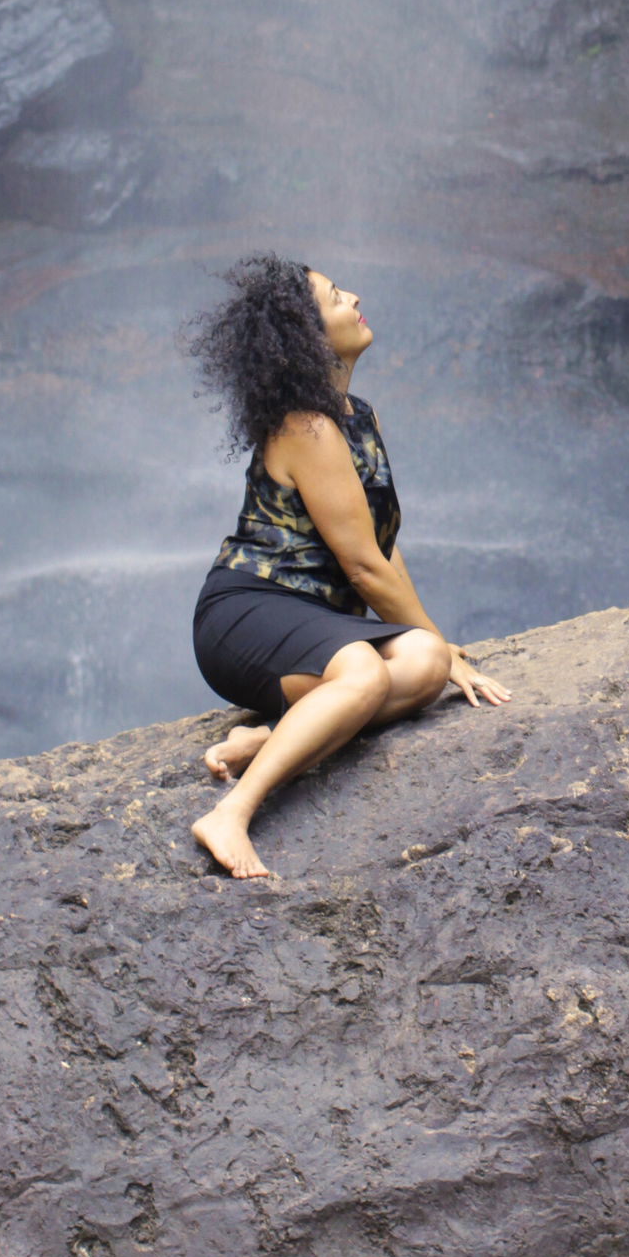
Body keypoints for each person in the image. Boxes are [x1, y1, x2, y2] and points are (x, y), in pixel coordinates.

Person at [185, 254, 510, 879]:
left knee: (422, 663)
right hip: (246, 608)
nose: (355, 297)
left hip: (313, 623)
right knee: (369, 668)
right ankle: (231, 814)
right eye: (337, 297)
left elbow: (382, 546)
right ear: (308, 336)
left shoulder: (359, 417)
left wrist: (440, 649)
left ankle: (271, 740)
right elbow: (362, 569)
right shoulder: (305, 426)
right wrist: (452, 647)